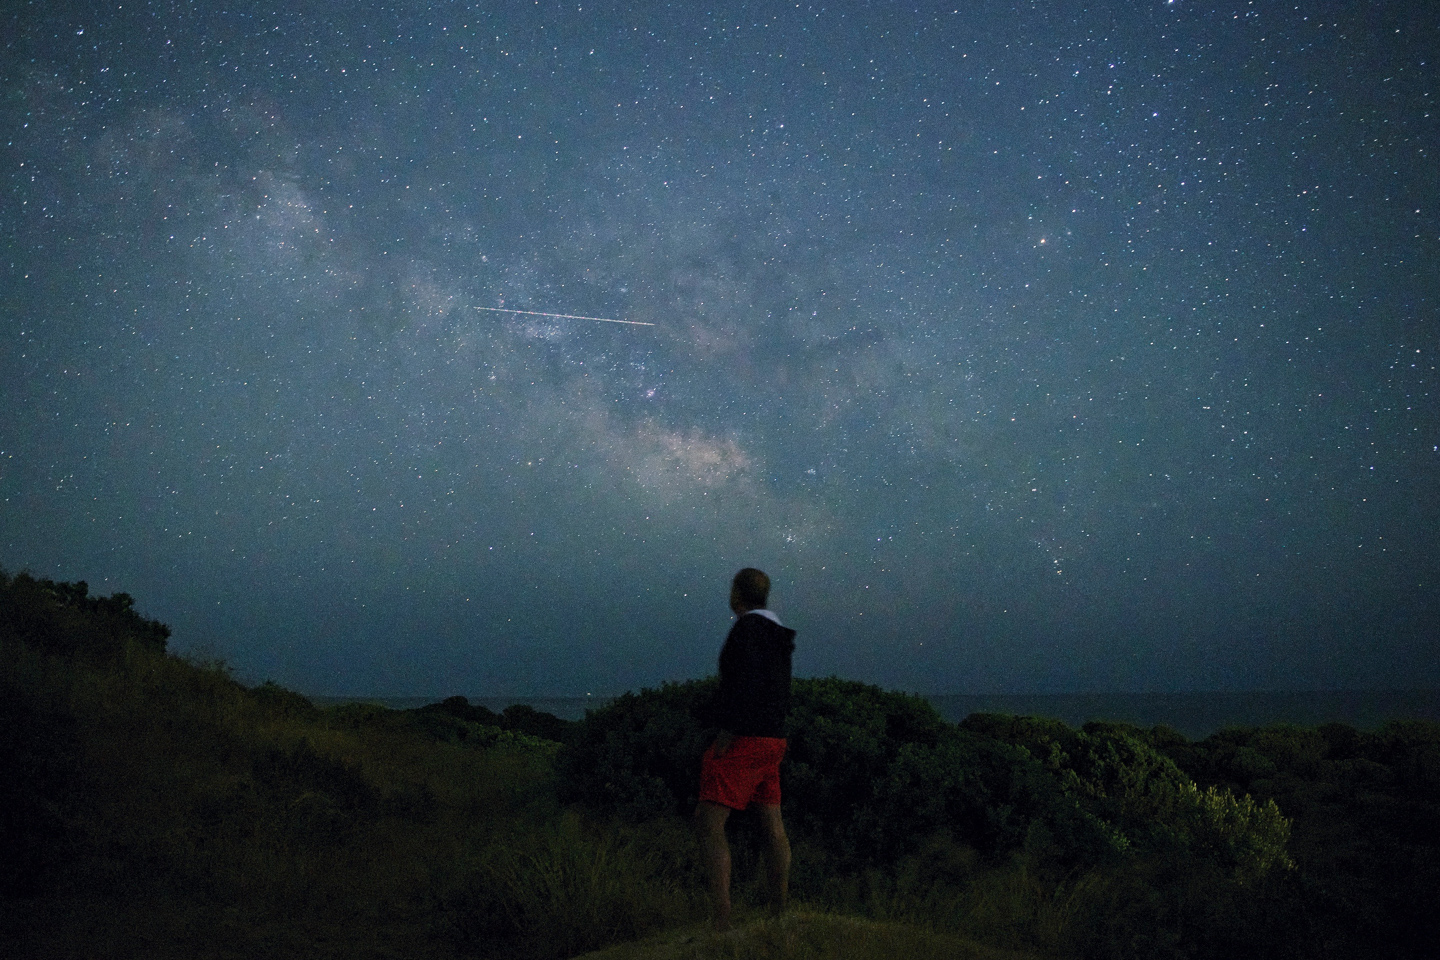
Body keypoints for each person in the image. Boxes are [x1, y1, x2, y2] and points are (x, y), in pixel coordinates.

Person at [694, 567, 797, 932]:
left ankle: (721, 919)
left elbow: (744, 684)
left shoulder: (748, 630)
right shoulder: (777, 633)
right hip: (773, 740)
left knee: (710, 823)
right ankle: (779, 911)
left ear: (738, 593)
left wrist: (728, 731)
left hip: (746, 739)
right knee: (772, 824)